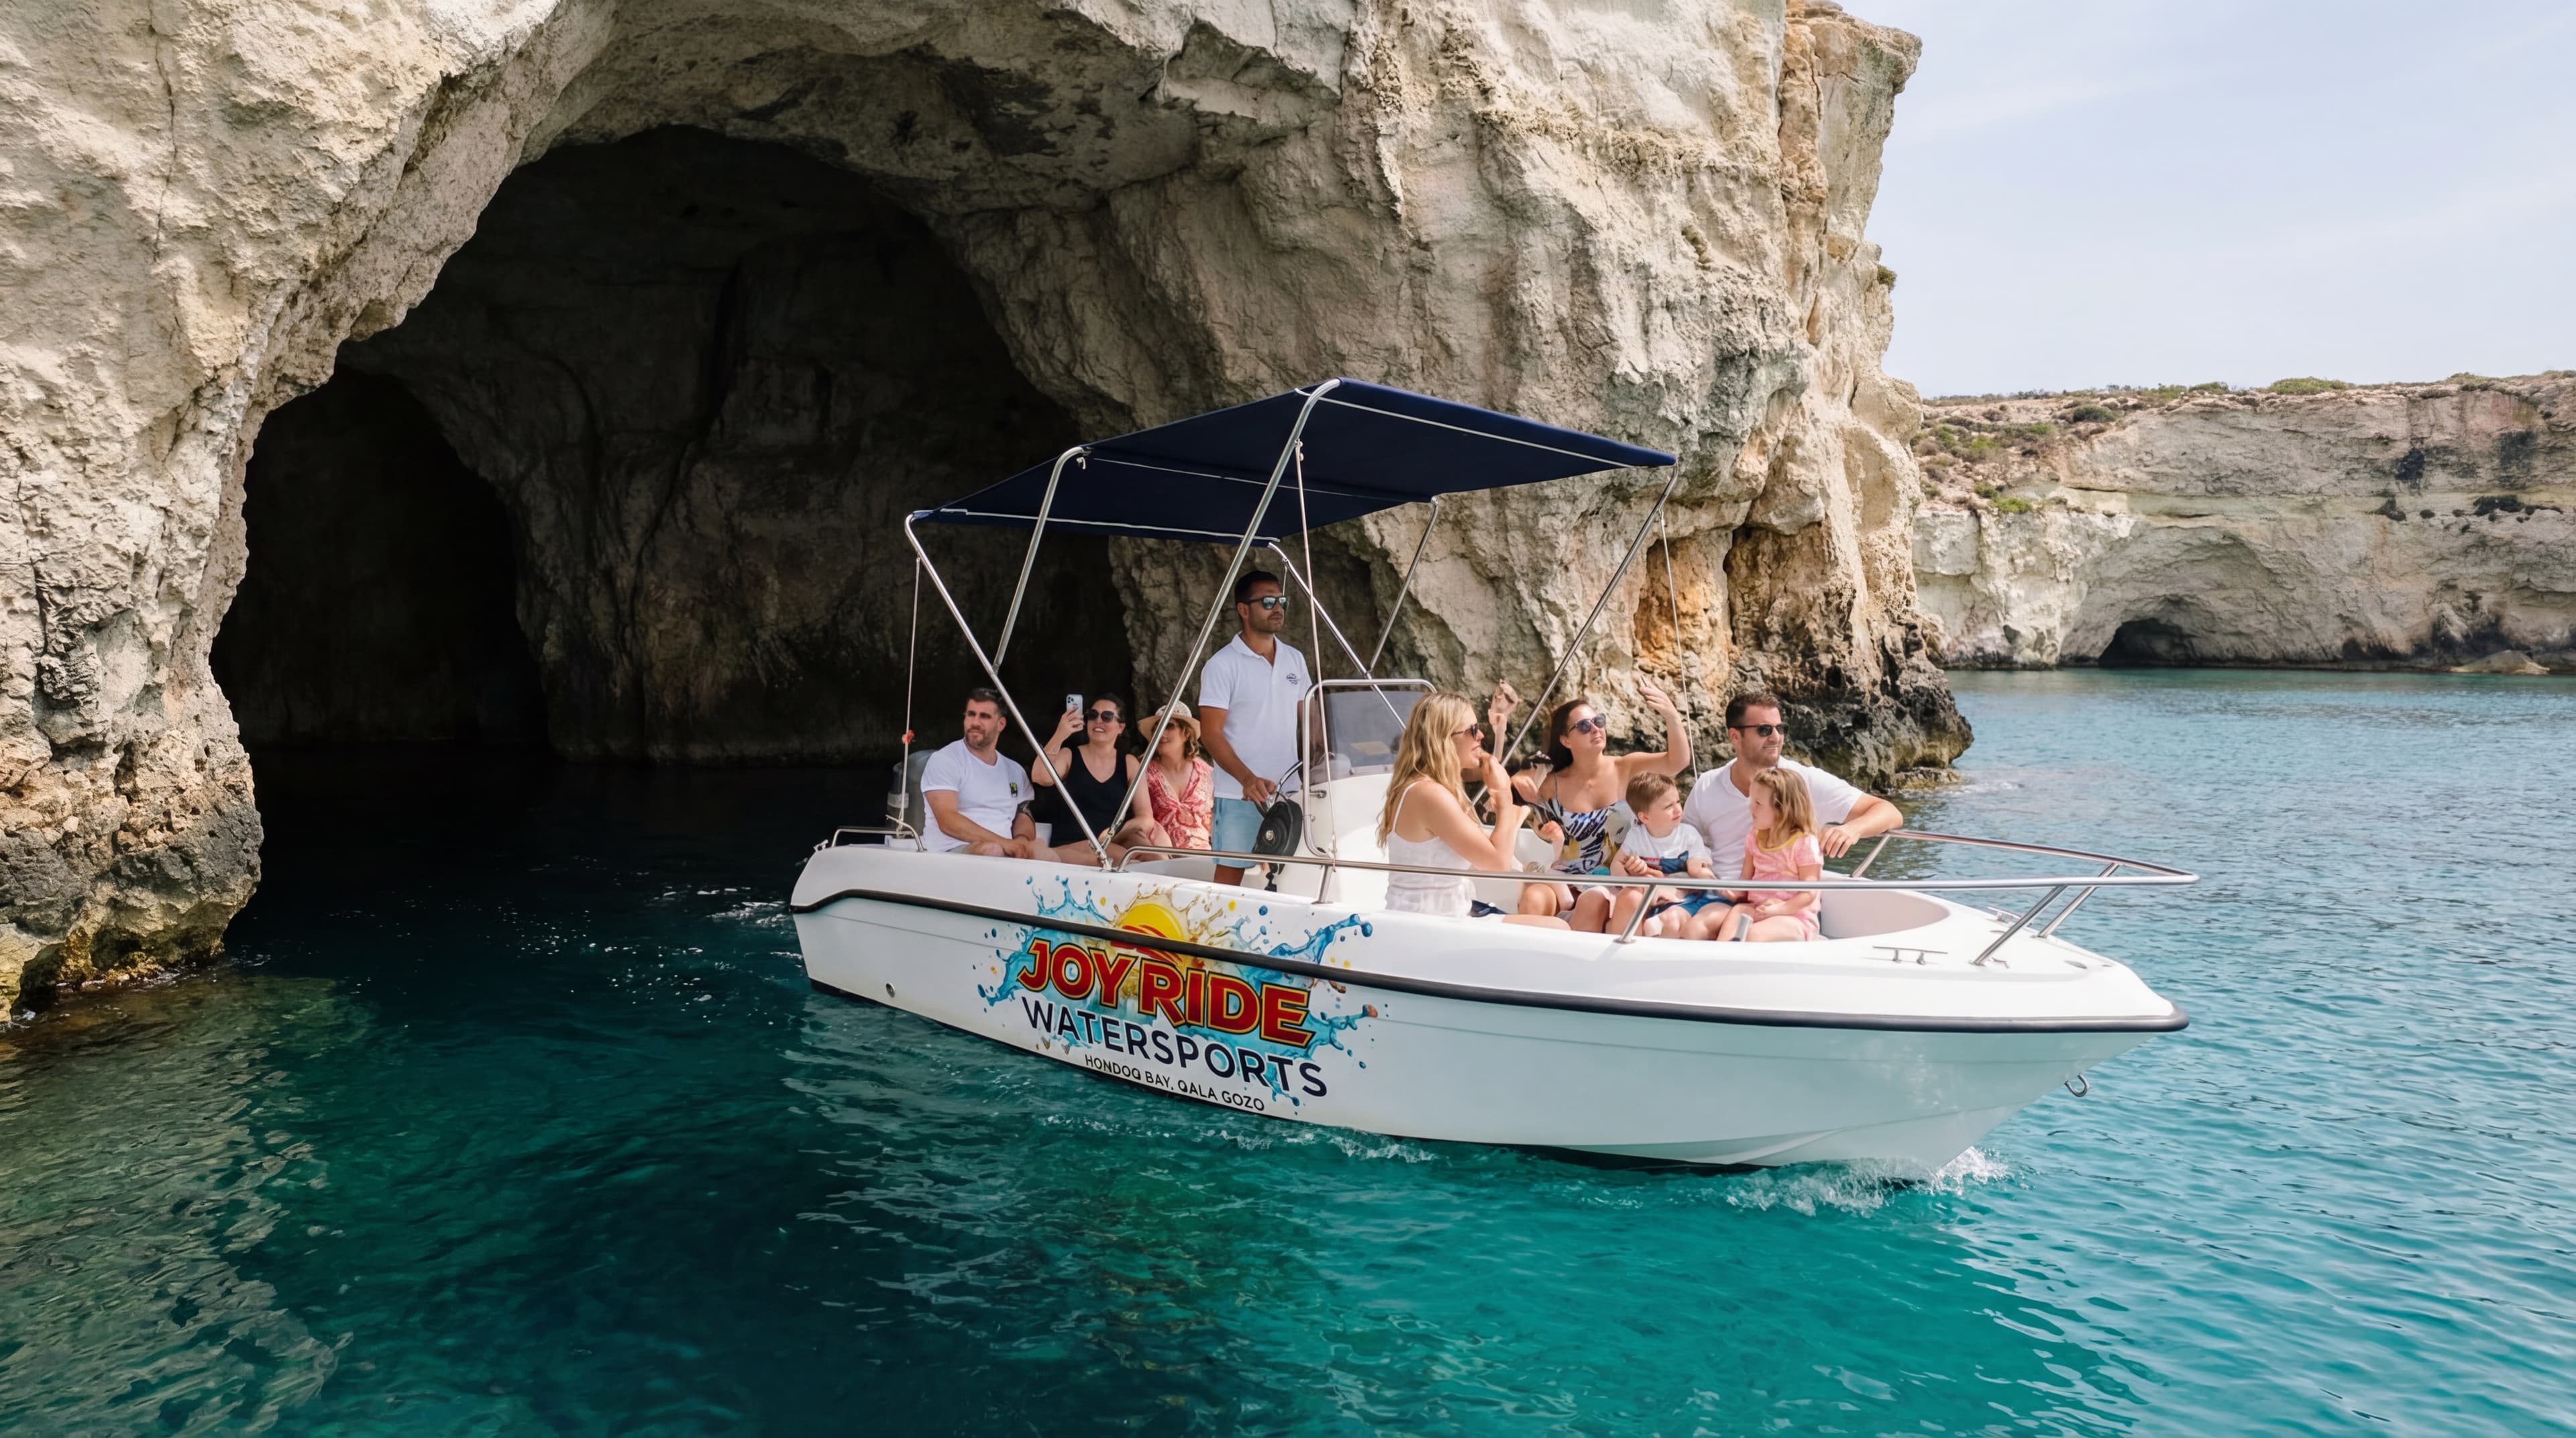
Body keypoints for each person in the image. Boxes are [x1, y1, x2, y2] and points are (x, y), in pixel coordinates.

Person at [1377, 688, 1568, 927]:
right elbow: (1498, 865)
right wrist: (1504, 797)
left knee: (1556, 926)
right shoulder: (1430, 794)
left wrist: (1499, 735)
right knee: (1559, 928)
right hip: (1426, 926)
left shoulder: (1430, 787)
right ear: (1445, 739)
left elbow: (1487, 857)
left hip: (1446, 917)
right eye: (1473, 731)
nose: (1480, 737)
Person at [1510, 680, 1690, 931]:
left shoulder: (1625, 768)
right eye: (1584, 726)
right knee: (1534, 897)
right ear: (1565, 740)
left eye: (1599, 722)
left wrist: (1672, 716)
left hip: (1618, 879)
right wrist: (1520, 776)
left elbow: (1677, 762)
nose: (1595, 729)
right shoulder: (1552, 783)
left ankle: (1574, 966)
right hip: (1567, 880)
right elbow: (1508, 798)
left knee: (1592, 902)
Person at [1679, 690, 1902, 862]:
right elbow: (1683, 843)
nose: (1776, 737)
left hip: (1782, 903)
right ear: (1736, 736)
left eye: (1781, 728)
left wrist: (1851, 829)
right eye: (1765, 730)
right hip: (1716, 896)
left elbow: (1889, 812)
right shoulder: (1707, 785)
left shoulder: (1803, 781)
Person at [1198, 570, 1311, 884]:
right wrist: (1247, 780)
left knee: (1294, 879)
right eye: (1268, 601)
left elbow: (1311, 722)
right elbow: (1210, 734)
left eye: (1282, 601)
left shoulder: (1295, 659)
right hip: (1239, 794)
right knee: (1229, 880)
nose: (1278, 608)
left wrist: (1325, 761)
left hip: (1291, 793)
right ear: (1243, 610)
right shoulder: (1222, 665)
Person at [1029, 692, 1174, 866]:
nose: (1099, 721)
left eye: (1107, 717)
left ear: (1121, 728)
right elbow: (1040, 777)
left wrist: (1113, 834)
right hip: (1071, 844)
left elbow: (1145, 818)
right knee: (1124, 860)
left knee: (1152, 858)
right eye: (1093, 715)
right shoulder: (1070, 755)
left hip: (1110, 842)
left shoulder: (1129, 763)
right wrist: (1060, 735)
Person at [1692, 766, 1823, 942]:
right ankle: (1723, 956)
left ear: (1782, 809)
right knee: (1738, 911)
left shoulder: (1804, 843)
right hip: (1759, 909)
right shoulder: (1754, 837)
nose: (1751, 809)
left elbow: (1809, 894)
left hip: (1795, 917)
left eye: (1758, 803)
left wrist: (1780, 909)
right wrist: (1735, 892)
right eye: (1751, 801)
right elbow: (1746, 878)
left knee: (1753, 933)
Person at [920, 688, 1042, 858]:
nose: (975, 722)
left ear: (1001, 724)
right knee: (991, 850)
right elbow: (948, 821)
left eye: (984, 716)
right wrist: (1005, 844)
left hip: (1006, 853)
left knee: (1045, 854)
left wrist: (1022, 840)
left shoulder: (1014, 770)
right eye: (971, 714)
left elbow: (1023, 812)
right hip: (951, 853)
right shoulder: (945, 759)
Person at [1604, 772, 1718, 939]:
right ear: (1645, 817)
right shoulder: (1637, 836)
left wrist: (1714, 881)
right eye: (1668, 807)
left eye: (1678, 802)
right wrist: (1630, 882)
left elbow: (1696, 868)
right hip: (1649, 895)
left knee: (1670, 920)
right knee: (1630, 896)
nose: (1678, 809)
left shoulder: (1688, 834)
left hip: (1682, 896)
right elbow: (1617, 864)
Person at [1142, 701, 1215, 850]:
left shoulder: (1209, 774)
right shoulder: (1143, 772)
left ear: (1187, 733)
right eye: (1157, 728)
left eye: (1169, 726)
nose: (1161, 733)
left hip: (1203, 858)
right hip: (1160, 858)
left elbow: (1219, 824)